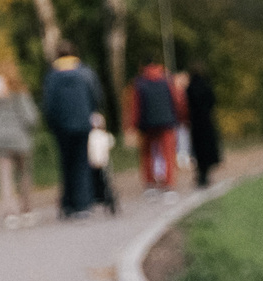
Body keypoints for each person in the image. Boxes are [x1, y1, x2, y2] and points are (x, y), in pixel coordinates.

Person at [40, 50, 106, 219]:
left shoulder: (52, 76)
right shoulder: (85, 73)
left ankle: (68, 204)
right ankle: (83, 203)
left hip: (61, 127)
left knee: (66, 163)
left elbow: (49, 103)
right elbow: (96, 96)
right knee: (82, 163)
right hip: (83, 124)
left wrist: (52, 123)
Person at [0, 63, 40, 228]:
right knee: (24, 175)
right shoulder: (20, 91)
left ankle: (10, 214)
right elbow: (30, 117)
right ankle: (26, 210)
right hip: (20, 139)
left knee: (5, 177)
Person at [129, 60, 182, 195]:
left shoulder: (139, 82)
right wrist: (178, 118)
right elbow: (176, 100)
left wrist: (134, 124)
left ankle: (150, 183)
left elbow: (136, 105)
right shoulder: (166, 80)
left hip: (147, 124)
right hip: (167, 122)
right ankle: (168, 184)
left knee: (147, 155)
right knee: (168, 154)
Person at [183, 65, 224, 187]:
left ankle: (200, 175)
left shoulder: (190, 88)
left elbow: (187, 105)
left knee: (198, 150)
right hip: (207, 121)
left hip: (195, 123)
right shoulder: (207, 86)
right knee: (206, 149)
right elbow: (213, 102)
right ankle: (206, 174)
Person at [87, 113, 122, 216]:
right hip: (103, 163)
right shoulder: (105, 135)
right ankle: (107, 197)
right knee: (107, 177)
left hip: (92, 163)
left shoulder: (90, 136)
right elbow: (111, 143)